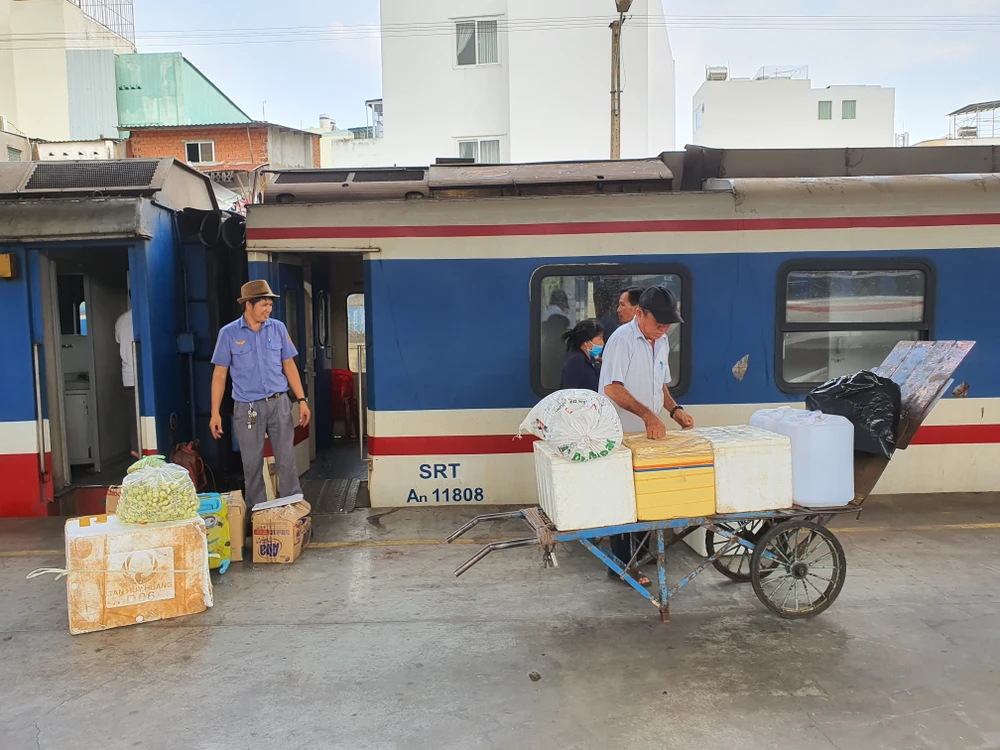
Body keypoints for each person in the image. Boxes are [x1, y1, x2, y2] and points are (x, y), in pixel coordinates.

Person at [598, 286, 694, 585]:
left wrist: (674, 410)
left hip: (649, 439)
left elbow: (660, 384)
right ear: (640, 313)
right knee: (625, 505)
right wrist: (647, 415)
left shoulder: (661, 340)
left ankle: (636, 559)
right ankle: (621, 566)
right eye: (658, 322)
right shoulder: (622, 340)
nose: (663, 328)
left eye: (668, 323)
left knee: (646, 502)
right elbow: (612, 388)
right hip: (624, 436)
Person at [209, 280, 312, 518]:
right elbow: (219, 375)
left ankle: (292, 512)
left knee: (286, 459)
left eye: (269, 305)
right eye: (264, 305)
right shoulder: (229, 334)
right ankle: (259, 516)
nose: (268, 309)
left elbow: (289, 366)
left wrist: (302, 399)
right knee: (252, 464)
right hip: (247, 407)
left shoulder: (277, 328)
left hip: (279, 403)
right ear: (248, 305)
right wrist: (215, 412)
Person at [114, 302, 139, 459]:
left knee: (134, 415)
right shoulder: (144, 317)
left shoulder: (121, 320)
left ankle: (136, 446)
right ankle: (140, 450)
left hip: (128, 376)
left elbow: (118, 341)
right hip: (143, 374)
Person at [560, 319, 604, 391]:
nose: (602, 343)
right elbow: (569, 391)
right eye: (599, 339)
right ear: (586, 342)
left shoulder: (591, 360)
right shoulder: (576, 360)